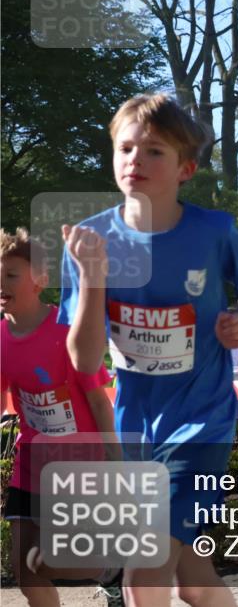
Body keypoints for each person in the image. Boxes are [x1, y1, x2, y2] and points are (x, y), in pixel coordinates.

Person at [60, 93, 238, 607]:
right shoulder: (90, 242)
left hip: (202, 422)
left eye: (154, 151)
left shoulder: (214, 231)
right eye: (126, 148)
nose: (136, 159)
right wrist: (93, 279)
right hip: (137, 429)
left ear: (185, 169)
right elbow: (84, 360)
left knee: (142, 573)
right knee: (194, 581)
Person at [1, 228, 122, 607]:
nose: (1, 283)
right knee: (24, 572)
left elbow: (99, 402)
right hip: (30, 464)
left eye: (10, 275)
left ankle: (112, 570)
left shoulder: (67, 331)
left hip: (78, 466)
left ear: (40, 280)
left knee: (50, 561)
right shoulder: (1, 337)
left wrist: (116, 460)